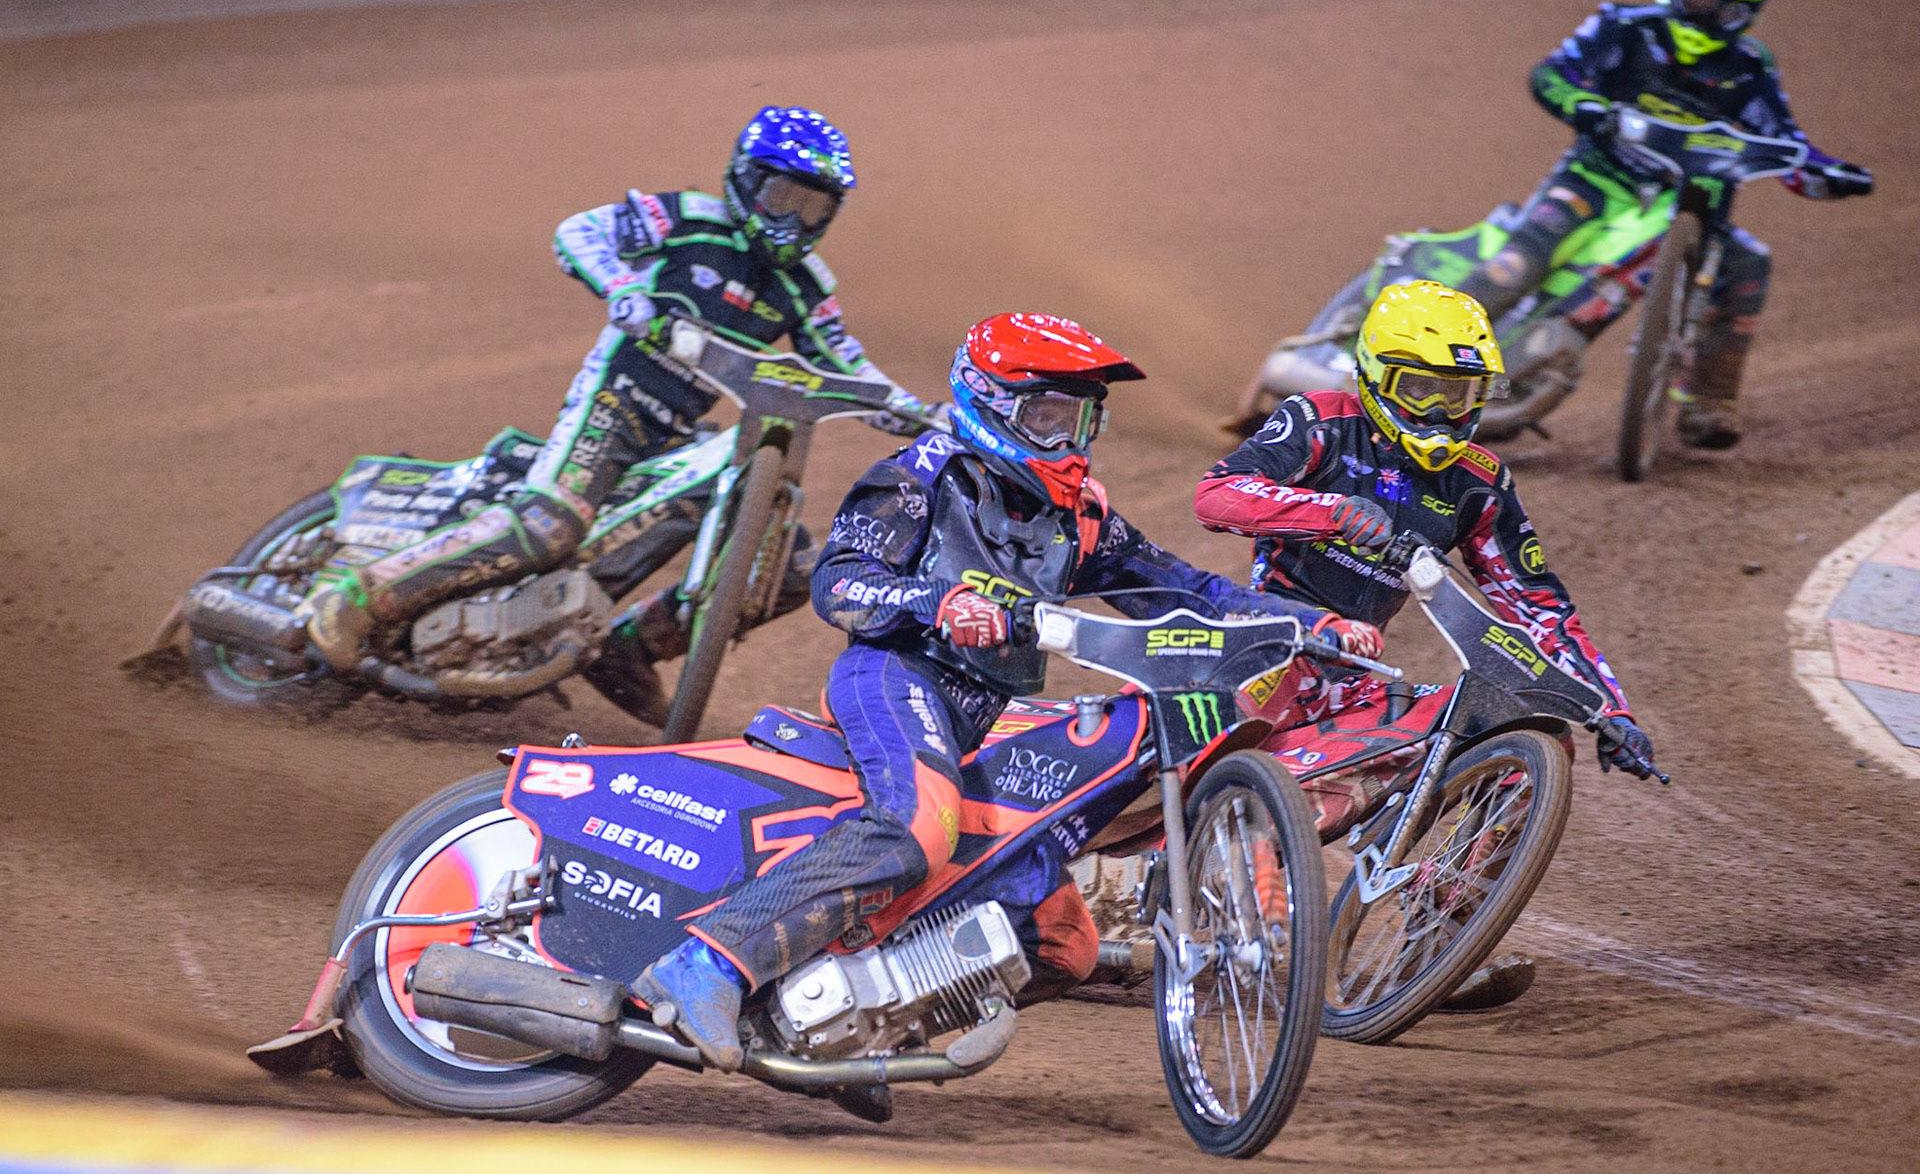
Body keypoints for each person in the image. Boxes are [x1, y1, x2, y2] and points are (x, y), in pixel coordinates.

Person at [631, 311, 1369, 1070]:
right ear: (989, 401)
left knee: (1061, 944)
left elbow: (1183, 589)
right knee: (916, 829)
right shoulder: (920, 477)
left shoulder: (1079, 517)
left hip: (980, 720)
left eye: (1081, 419)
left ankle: (858, 1037)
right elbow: (839, 582)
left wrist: (1310, 623)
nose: (1067, 439)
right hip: (896, 677)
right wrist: (936, 603)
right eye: (1046, 416)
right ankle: (707, 963)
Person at [302, 107, 938, 720]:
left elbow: (848, 367)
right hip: (613, 404)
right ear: (747, 181)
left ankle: (628, 649)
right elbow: (578, 232)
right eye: (783, 198)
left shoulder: (806, 287)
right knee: (550, 527)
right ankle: (358, 599)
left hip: (683, 436)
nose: (794, 221)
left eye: (814, 206)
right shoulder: (687, 220)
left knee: (792, 564)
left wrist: (918, 414)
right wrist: (623, 288)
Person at [1195, 279, 1659, 781]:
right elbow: (1219, 493)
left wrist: (1610, 709)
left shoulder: (1480, 484)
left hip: (1354, 682)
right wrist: (1331, 513)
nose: (1440, 413)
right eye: (1420, 389)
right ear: (1376, 377)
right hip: (1273, 647)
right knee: (1212, 739)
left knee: (1532, 735)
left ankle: (1429, 861)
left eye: (1458, 393)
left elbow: (1537, 606)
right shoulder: (1323, 419)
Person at [1456, 0, 1871, 448]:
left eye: (1718, 4)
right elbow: (1551, 74)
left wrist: (1827, 174)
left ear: (1745, 12)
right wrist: (1586, 107)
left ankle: (1708, 404)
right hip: (1595, 178)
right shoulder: (1624, 27)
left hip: (1695, 207)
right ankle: (1415, 360)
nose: (1703, 10)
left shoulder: (1750, 67)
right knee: (1512, 268)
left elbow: (1786, 143)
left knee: (1750, 265)